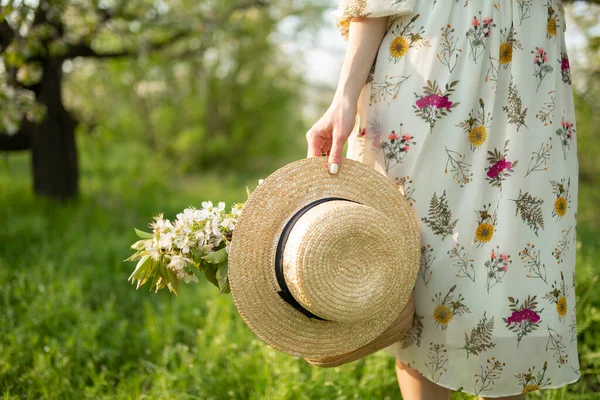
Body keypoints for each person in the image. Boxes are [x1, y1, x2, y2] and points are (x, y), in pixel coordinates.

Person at [306, 1, 580, 399]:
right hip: (436, 63)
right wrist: (343, 97)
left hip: (529, 66)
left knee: (513, 287)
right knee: (423, 275)